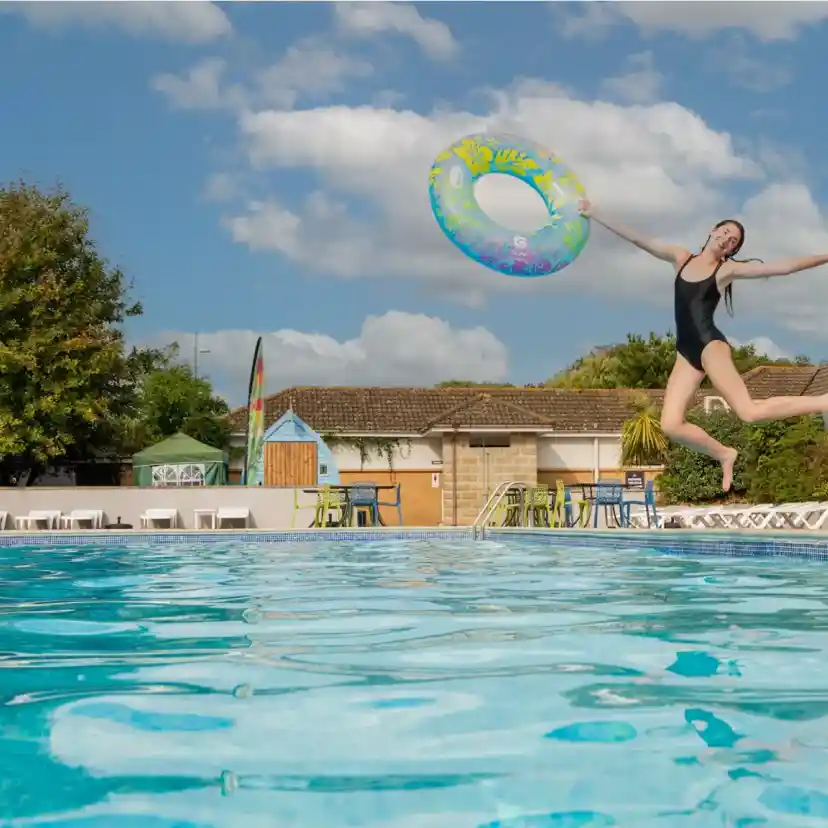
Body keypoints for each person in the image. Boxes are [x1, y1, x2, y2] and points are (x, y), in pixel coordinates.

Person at [578, 198, 828, 492]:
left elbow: (784, 267)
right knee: (671, 425)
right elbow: (638, 239)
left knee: (748, 412)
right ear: (713, 230)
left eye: (732, 241)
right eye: (724, 232)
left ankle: (822, 401)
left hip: (711, 346)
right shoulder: (680, 257)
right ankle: (724, 453)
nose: (726, 239)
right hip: (686, 352)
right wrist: (595, 213)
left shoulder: (725, 271)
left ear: (733, 250)